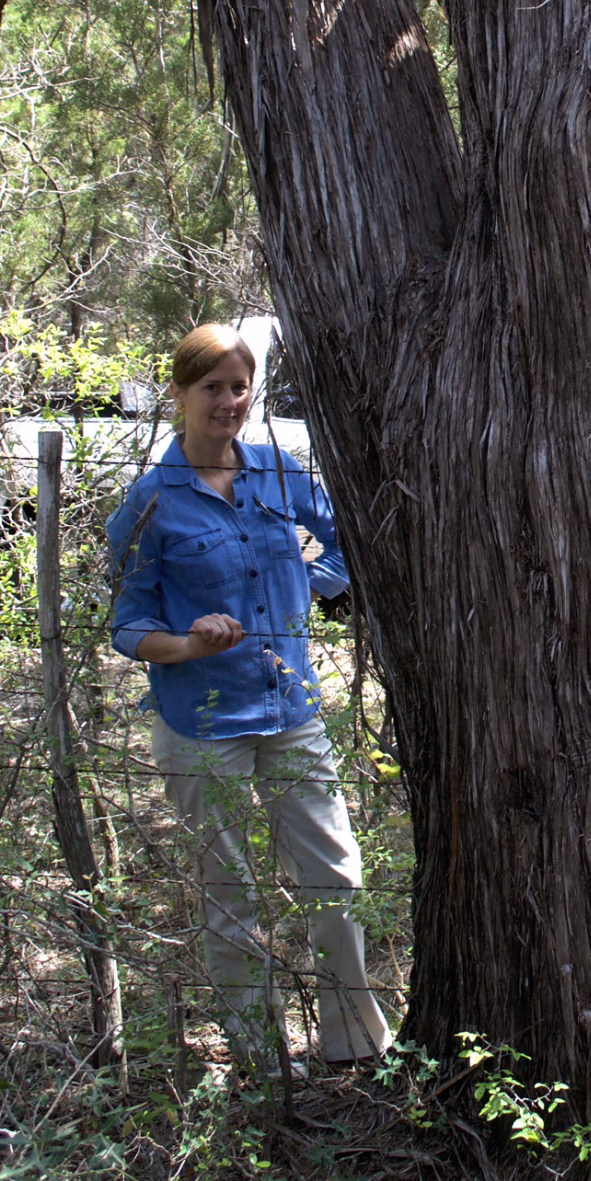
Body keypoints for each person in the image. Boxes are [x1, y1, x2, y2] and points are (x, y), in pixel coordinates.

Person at [107, 323, 391, 1074]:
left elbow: (344, 544)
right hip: (202, 723)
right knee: (229, 893)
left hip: (291, 708)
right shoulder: (149, 503)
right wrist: (188, 641)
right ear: (179, 393)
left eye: (240, 387)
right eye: (213, 388)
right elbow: (127, 626)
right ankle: (263, 1061)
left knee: (336, 877)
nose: (229, 402)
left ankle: (354, 1045)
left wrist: (311, 588)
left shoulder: (278, 471)